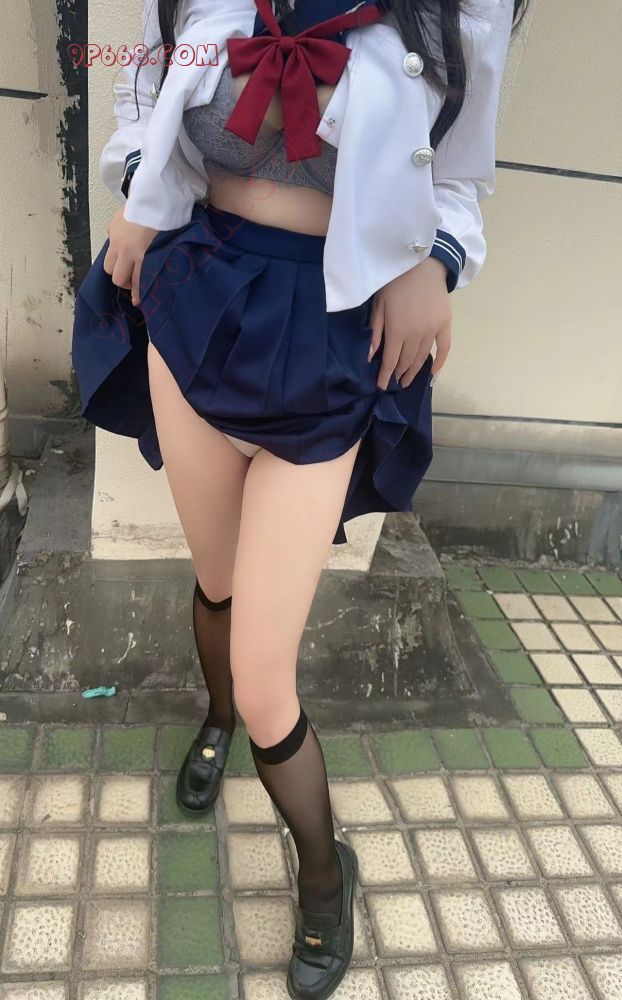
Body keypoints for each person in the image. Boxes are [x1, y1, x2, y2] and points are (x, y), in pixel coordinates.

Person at [72, 0, 527, 995]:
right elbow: (142, 79)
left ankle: (324, 873)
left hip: (333, 328)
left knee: (268, 674)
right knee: (217, 580)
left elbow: (459, 170)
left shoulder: (456, 10)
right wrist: (135, 188)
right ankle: (216, 720)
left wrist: (437, 261)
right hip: (197, 294)